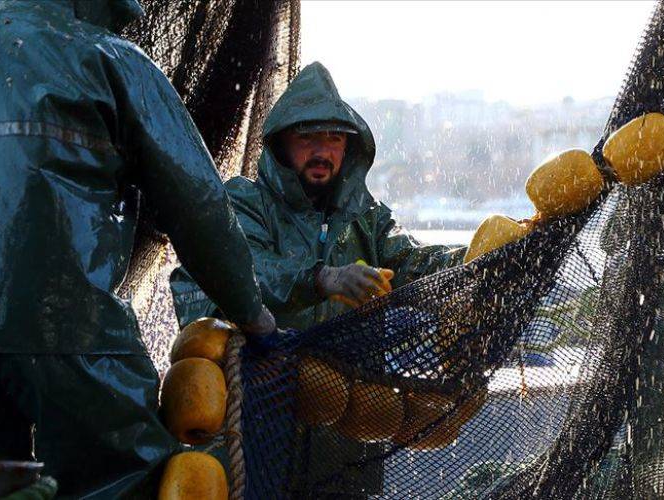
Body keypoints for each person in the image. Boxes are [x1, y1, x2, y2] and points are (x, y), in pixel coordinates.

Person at [0, 0, 275, 497]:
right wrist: (251, 311)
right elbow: (197, 206)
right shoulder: (109, 60)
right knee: (123, 478)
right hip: (69, 330)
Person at [170, 61, 465, 497]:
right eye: (307, 137)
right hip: (256, 427)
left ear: (350, 148)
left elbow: (417, 263)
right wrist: (322, 278)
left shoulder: (369, 220)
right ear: (281, 145)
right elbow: (237, 272)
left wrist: (491, 253)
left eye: (334, 138)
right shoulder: (243, 202)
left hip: (346, 445)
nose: (322, 150)